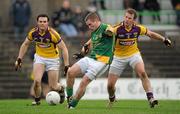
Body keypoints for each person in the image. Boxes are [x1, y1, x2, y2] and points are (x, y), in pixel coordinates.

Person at [107, 8, 171, 108]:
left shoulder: (138, 28)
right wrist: (107, 32)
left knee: (142, 73)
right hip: (118, 57)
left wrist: (164, 39)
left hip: (133, 54)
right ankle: (112, 97)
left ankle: (151, 98)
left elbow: (150, 34)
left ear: (134, 20)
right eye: (126, 17)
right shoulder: (117, 28)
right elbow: (107, 33)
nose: (127, 19)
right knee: (110, 86)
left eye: (130, 18)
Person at [15, 14, 69, 105]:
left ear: (48, 23)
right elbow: (25, 44)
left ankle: (61, 89)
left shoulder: (53, 34)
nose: (42, 23)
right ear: (37, 22)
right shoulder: (33, 32)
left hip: (53, 59)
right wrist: (19, 59)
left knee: (53, 85)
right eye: (40, 22)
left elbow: (64, 48)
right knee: (36, 81)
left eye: (44, 22)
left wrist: (67, 65)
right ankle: (37, 100)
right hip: (40, 57)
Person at [66, 12, 114, 109]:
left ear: (96, 21)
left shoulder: (105, 27)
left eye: (90, 24)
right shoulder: (94, 31)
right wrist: (82, 53)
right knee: (70, 72)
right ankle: (69, 97)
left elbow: (111, 31)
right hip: (91, 58)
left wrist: (110, 32)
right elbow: (90, 42)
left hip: (102, 62)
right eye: (87, 25)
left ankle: (72, 106)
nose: (88, 27)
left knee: (84, 82)